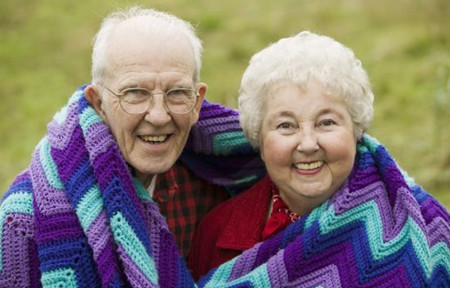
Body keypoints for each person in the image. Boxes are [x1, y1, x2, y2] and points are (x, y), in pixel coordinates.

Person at [0, 7, 266, 287]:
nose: (159, 116)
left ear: (197, 101)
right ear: (98, 102)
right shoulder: (25, 221)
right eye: (135, 93)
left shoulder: (224, 179)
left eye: (177, 93)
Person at [188, 31, 450, 286]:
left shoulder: (421, 222)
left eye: (326, 122)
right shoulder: (217, 229)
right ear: (259, 138)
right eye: (286, 126)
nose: (308, 144)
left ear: (355, 129)